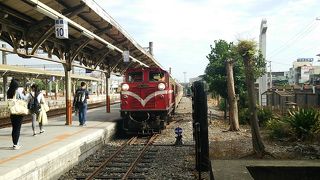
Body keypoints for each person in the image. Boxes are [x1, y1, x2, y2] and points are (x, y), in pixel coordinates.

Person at [7, 79, 27, 150]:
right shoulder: (17, 92)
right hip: (18, 112)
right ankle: (16, 144)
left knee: (14, 128)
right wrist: (25, 94)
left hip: (12, 112)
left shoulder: (8, 92)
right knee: (17, 129)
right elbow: (24, 98)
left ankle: (15, 143)